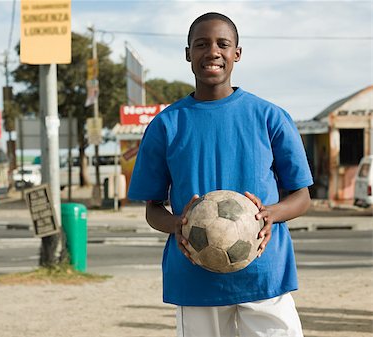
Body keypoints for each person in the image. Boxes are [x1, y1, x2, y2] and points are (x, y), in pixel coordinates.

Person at [127, 12, 313, 337]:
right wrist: (181, 226)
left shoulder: (270, 117)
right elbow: (153, 210)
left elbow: (301, 197)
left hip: (264, 273)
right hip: (195, 276)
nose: (212, 51)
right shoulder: (166, 126)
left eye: (222, 44)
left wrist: (270, 214)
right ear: (188, 54)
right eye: (201, 44)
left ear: (236, 53)